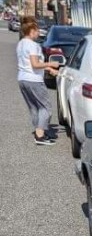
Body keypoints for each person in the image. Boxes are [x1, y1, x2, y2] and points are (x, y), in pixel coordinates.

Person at [16, 17, 60, 145]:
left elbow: (30, 64)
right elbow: (35, 64)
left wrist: (48, 68)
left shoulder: (21, 44)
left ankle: (38, 131)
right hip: (34, 80)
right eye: (37, 30)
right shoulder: (33, 45)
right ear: (32, 30)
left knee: (34, 107)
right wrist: (51, 63)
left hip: (23, 78)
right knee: (46, 107)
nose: (39, 33)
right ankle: (40, 136)